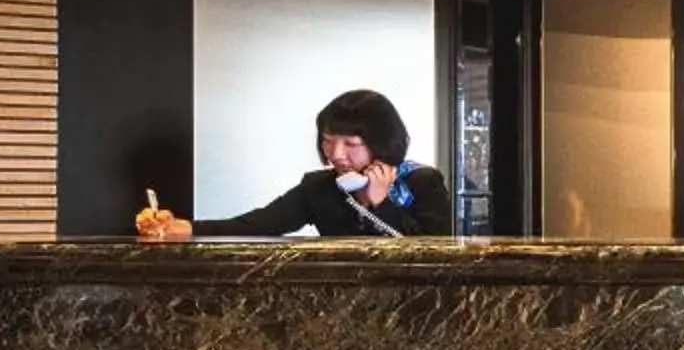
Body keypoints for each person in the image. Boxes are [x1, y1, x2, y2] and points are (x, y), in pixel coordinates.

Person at [135, 89, 452, 239]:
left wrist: (380, 204)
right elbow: (259, 224)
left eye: (350, 143)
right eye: (328, 140)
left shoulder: (422, 182)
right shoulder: (319, 188)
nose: (335, 153)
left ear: (381, 144)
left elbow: (436, 257)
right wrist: (184, 228)